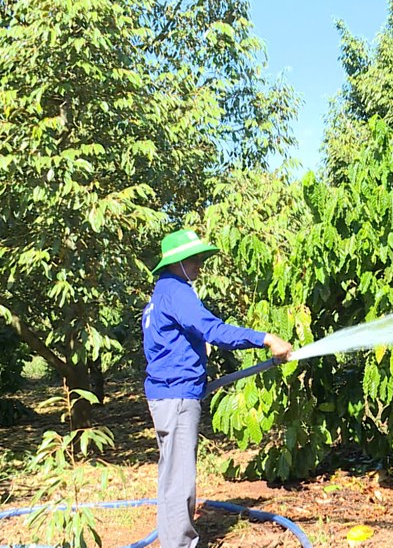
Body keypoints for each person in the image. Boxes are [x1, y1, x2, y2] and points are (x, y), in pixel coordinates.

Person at [142, 228, 292, 548]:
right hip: (176, 395)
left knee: (172, 473)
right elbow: (213, 331)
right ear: (176, 262)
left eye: (199, 258)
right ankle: (179, 544)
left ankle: (174, 540)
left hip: (168, 392)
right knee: (179, 477)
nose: (199, 264)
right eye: (193, 259)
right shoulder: (177, 292)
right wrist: (265, 338)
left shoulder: (160, 295)